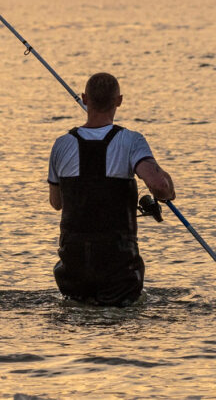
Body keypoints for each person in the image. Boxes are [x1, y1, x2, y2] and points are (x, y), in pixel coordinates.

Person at [47, 72, 175, 306]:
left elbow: (57, 203)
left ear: (85, 99)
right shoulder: (131, 141)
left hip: (72, 266)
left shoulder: (61, 144)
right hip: (118, 267)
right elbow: (160, 187)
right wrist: (168, 190)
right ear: (119, 101)